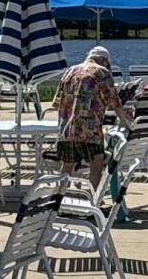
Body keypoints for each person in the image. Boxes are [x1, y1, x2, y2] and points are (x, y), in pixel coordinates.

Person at [51, 42, 119, 184]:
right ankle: (94, 196)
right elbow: (114, 103)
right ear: (104, 60)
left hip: (68, 130)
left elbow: (58, 103)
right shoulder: (102, 72)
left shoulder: (70, 72)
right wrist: (125, 119)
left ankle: (59, 194)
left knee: (67, 166)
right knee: (96, 165)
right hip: (90, 131)